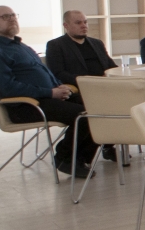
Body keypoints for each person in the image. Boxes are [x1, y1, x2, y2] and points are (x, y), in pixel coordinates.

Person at [0, 5, 98, 176]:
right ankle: (65, 158)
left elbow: (44, 72)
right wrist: (50, 93)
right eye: (5, 17)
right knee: (84, 115)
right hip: (26, 106)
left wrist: (58, 86)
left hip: (47, 98)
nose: (12, 19)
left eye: (13, 15)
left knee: (100, 108)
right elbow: (9, 88)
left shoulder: (21, 46)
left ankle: (80, 159)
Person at [45, 9, 122, 162]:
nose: (84, 25)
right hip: (78, 91)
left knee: (126, 101)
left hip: (104, 88)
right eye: (78, 23)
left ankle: (109, 143)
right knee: (100, 107)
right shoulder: (56, 45)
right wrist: (86, 81)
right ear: (66, 25)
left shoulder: (96, 43)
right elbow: (58, 73)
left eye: (85, 22)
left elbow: (111, 66)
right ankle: (81, 156)